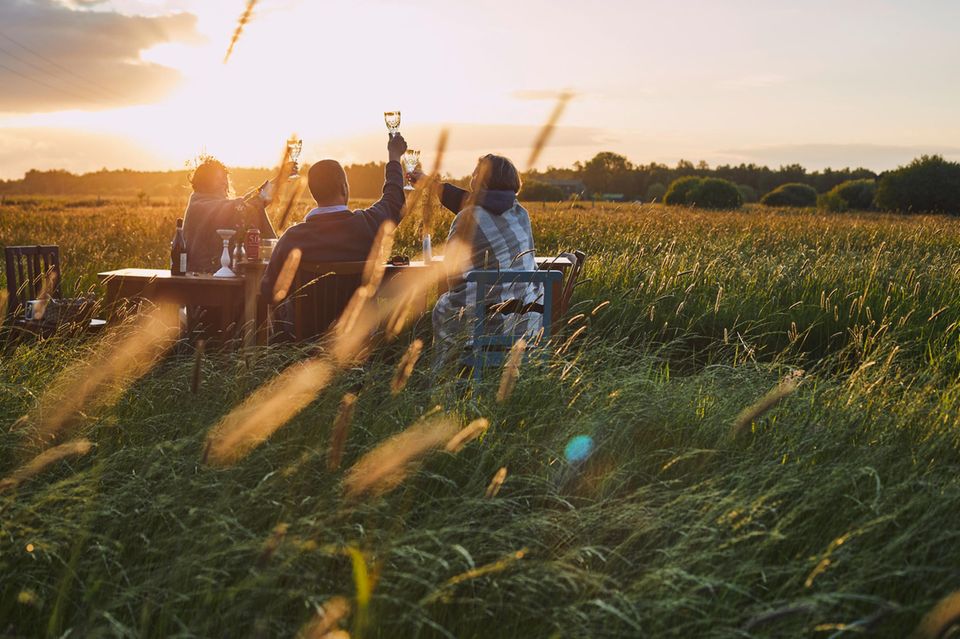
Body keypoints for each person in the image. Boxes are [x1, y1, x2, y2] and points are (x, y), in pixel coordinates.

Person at [412, 154, 541, 366]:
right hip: (525, 322)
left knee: (443, 306)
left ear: (478, 180)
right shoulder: (521, 214)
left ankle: (446, 376)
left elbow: (451, 274)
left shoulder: (467, 217)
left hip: (483, 324)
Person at [260, 134, 408, 303]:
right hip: (360, 329)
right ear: (344, 188)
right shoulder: (367, 224)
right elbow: (394, 200)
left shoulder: (292, 237)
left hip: (307, 330)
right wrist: (394, 157)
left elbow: (268, 291)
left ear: (314, 193)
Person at [182, 157, 279, 273]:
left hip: (219, 273)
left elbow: (246, 202)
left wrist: (278, 180)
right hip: (200, 273)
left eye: (225, 178)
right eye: (218, 179)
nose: (224, 182)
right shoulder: (199, 204)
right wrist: (262, 197)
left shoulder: (217, 203)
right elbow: (243, 206)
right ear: (205, 182)